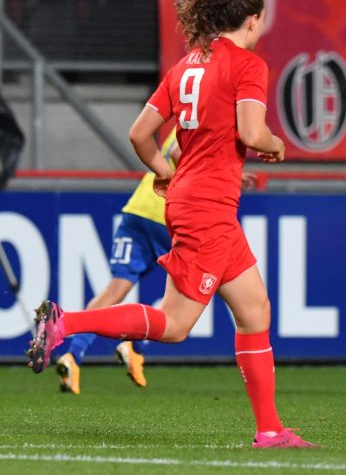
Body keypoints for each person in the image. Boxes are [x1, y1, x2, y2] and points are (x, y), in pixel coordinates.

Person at [26, 0, 313, 449]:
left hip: (197, 202)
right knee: (174, 326)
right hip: (209, 208)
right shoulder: (248, 65)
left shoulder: (186, 67)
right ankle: (64, 323)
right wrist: (276, 144)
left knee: (255, 310)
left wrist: (164, 172)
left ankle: (270, 430)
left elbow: (140, 134)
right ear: (254, 19)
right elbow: (251, 131)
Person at [54, 133, 258, 395]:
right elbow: (175, 152)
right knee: (186, 302)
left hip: (138, 212)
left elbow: (155, 141)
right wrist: (210, 180)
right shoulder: (207, 117)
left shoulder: (189, 111)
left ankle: (73, 356)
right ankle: (134, 345)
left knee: (115, 289)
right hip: (172, 215)